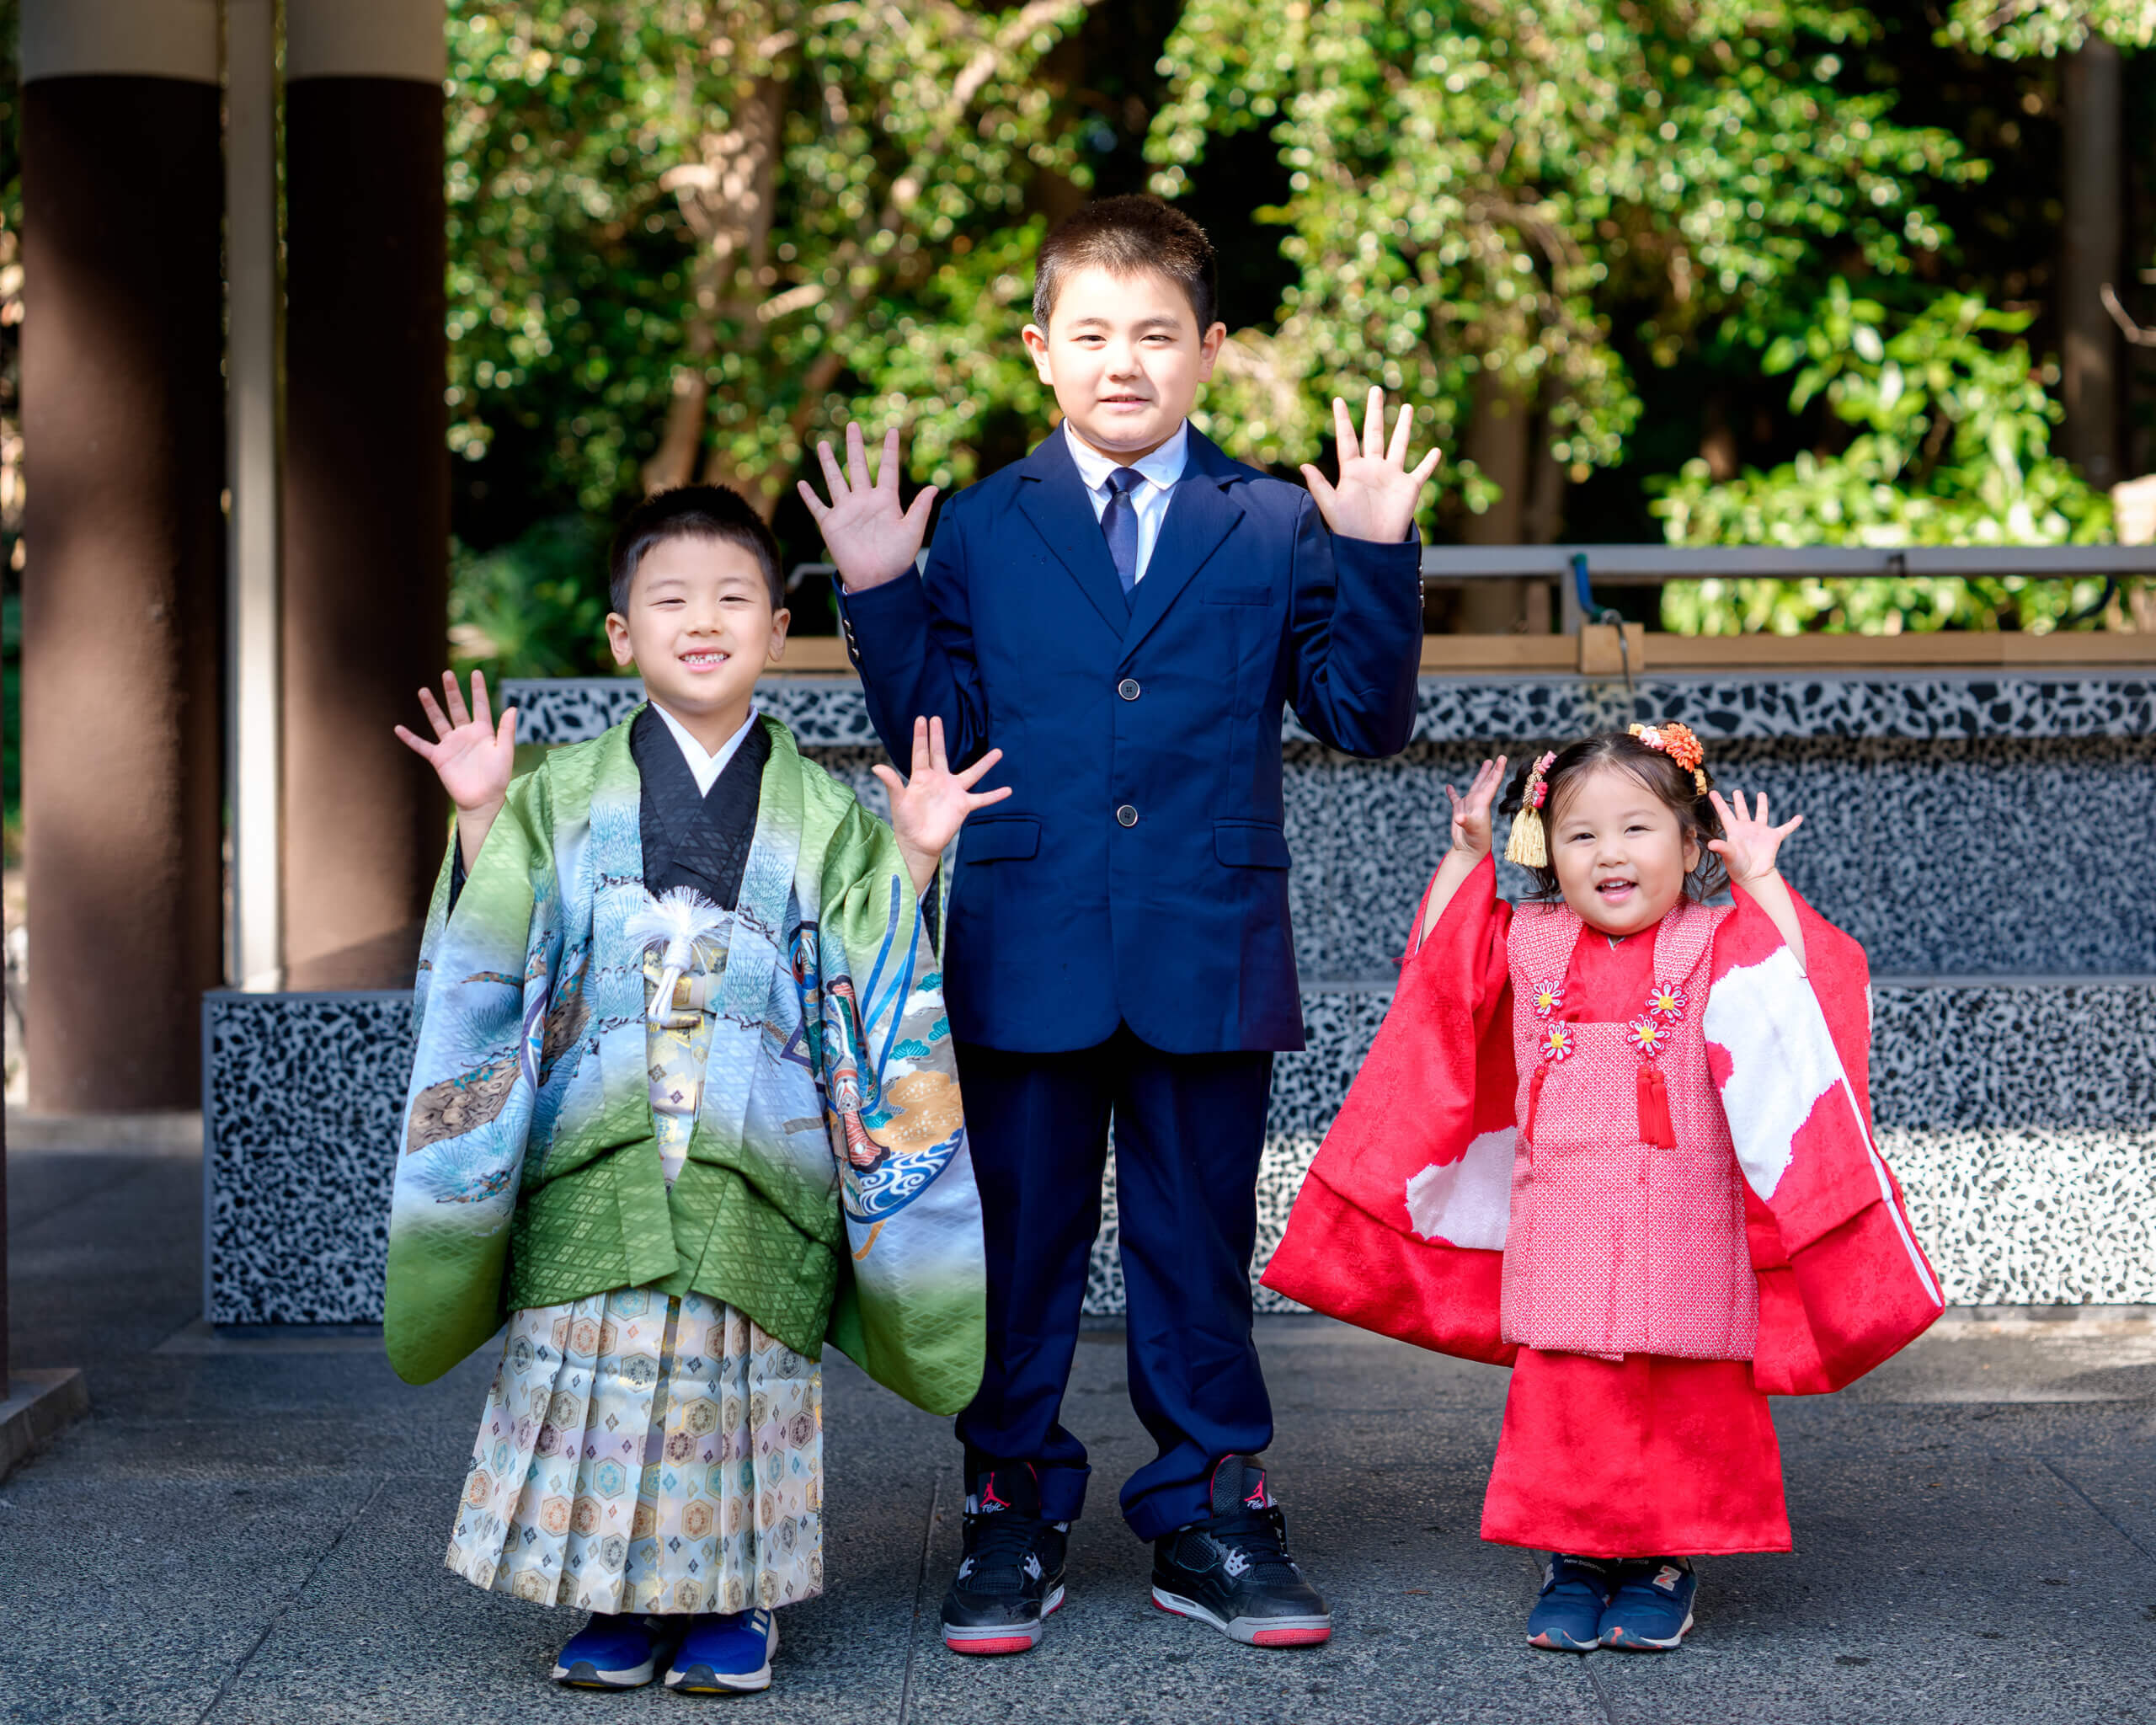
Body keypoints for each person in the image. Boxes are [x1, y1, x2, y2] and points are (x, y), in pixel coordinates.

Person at [797, 194, 1438, 1656]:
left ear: (1213, 350)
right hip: (1023, 940)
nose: (1123, 362)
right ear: (1039, 349)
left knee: (1197, 1246)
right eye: (1090, 334)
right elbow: (929, 738)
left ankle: (1212, 1507)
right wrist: (885, 588)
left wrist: (1382, 551)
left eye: (1157, 334)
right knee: (1013, 1245)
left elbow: (1364, 717)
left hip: (1209, 943)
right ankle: (1009, 1507)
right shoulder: (977, 524)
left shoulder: (1275, 519)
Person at [385, 485, 999, 1695]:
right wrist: (476, 821)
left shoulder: (826, 811)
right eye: (669, 599)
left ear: (779, 628)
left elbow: (874, 972)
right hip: (599, 1138)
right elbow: (489, 966)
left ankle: (738, 1603)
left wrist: (917, 852)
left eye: (734, 599)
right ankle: (609, 1597)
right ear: (622, 637)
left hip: (754, 1145)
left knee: (740, 1378)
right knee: (594, 1367)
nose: (702, 620)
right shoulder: (555, 797)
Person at [1264, 724, 1945, 1653]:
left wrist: (1760, 882)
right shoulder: (1529, 939)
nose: (1611, 853)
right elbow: (1440, 980)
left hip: (1690, 1220)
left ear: (1689, 838)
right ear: (1544, 849)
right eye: (1581, 833)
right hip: (1567, 1224)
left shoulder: (1721, 938)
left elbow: (1810, 994)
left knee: (1687, 1392)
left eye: (1638, 827)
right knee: (1570, 1392)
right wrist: (1465, 859)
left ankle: (1664, 1557)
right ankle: (1575, 1556)